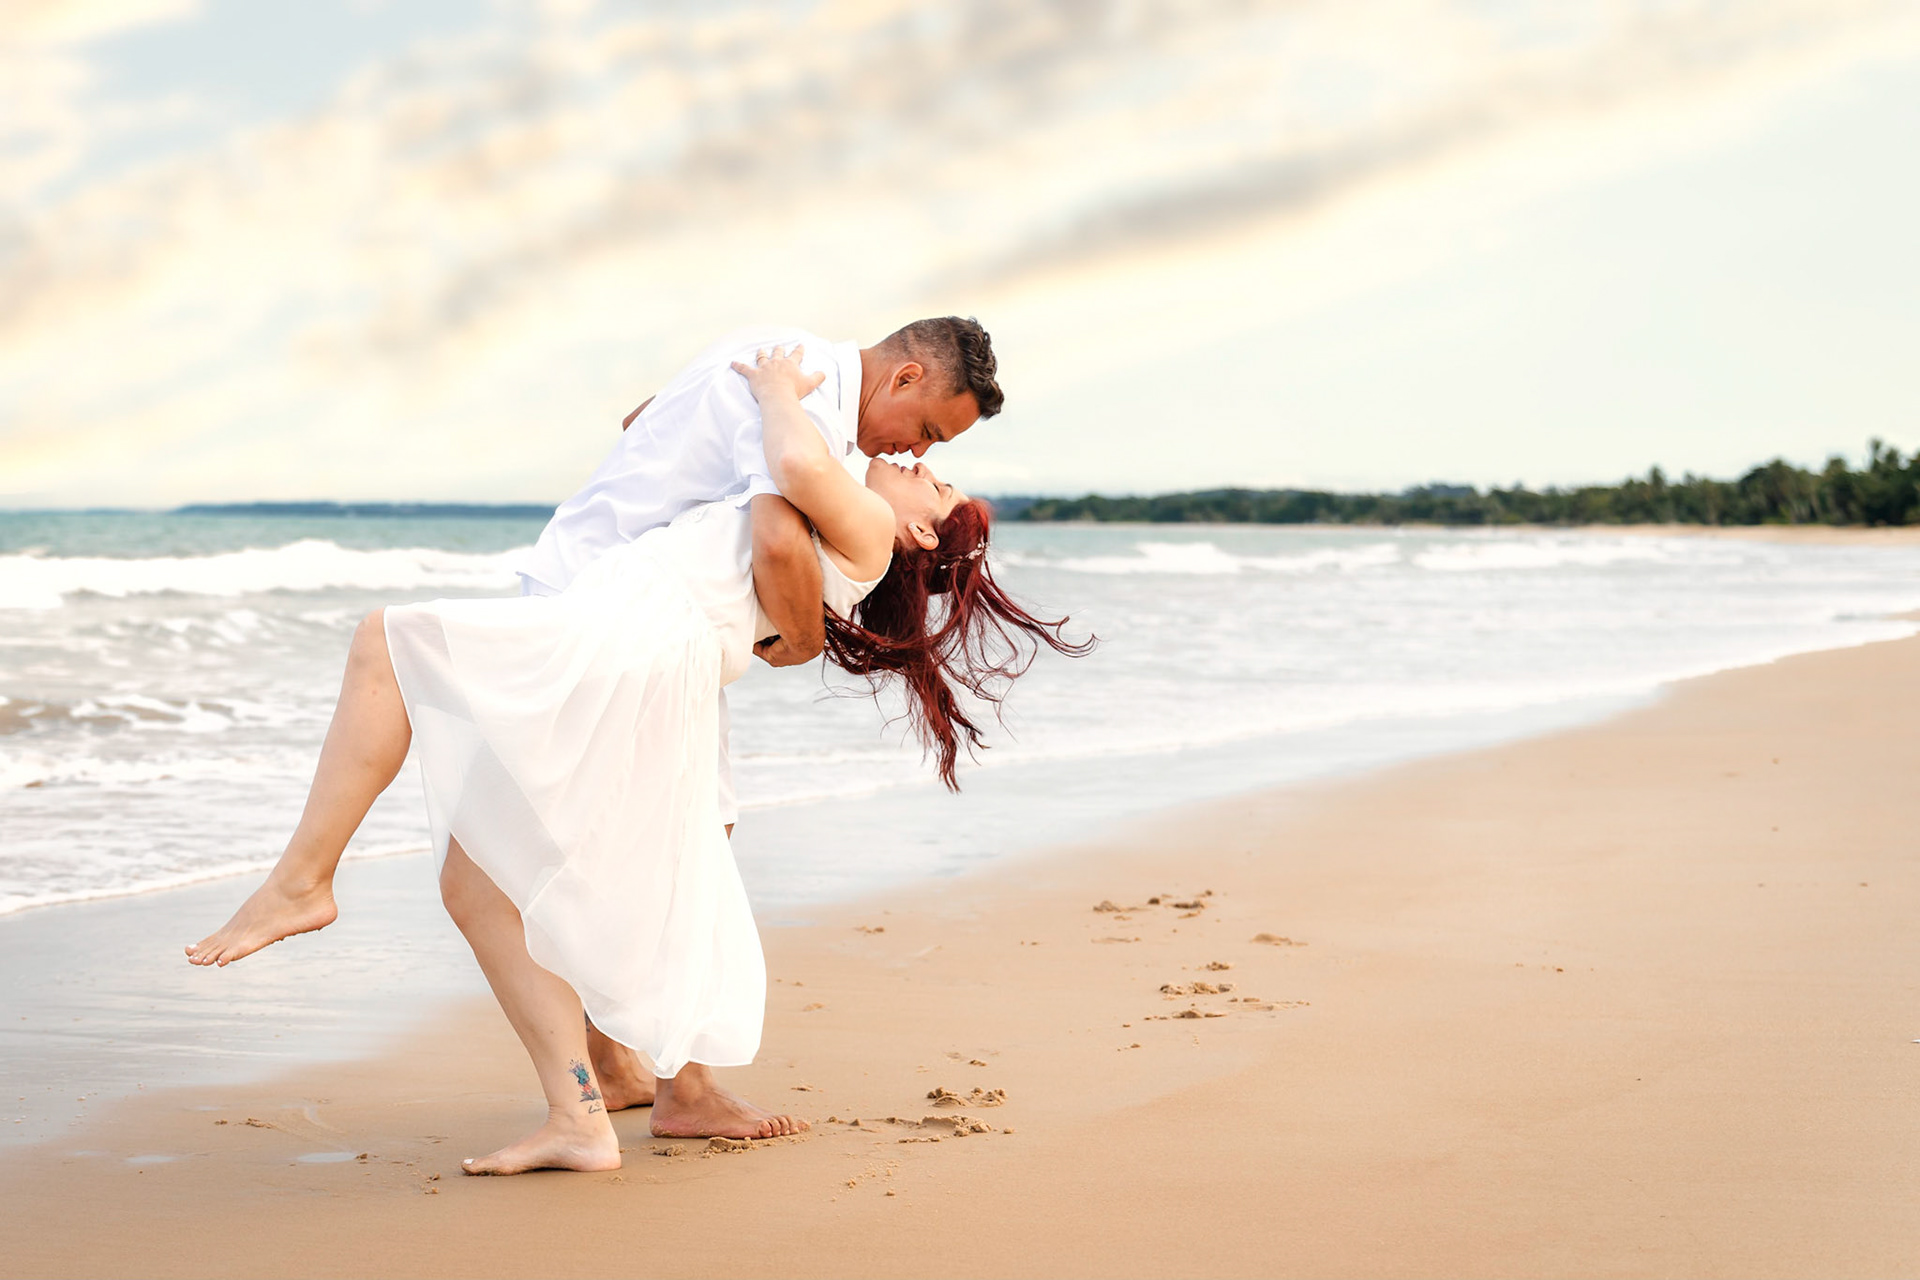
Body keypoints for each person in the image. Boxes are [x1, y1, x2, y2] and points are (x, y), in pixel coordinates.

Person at [187, 346, 1088, 1174]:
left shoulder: (857, 521)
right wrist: (695, 409)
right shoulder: (837, 505)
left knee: (386, 641)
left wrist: (773, 392)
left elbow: (794, 478)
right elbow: (749, 485)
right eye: (930, 447)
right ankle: (582, 1109)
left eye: (935, 483)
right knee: (476, 881)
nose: (923, 465)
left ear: (919, 539)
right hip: (644, 644)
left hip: (633, 639)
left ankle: (305, 882)